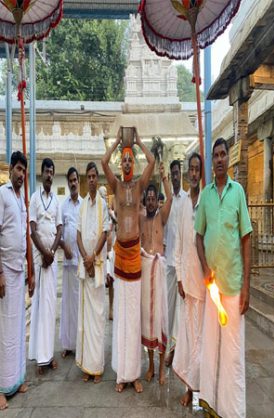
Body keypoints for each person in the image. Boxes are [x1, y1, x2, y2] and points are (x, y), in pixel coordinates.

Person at [195, 138, 252, 417]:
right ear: (212, 161)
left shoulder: (237, 192)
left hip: (233, 285)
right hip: (212, 287)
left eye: (222, 154)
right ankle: (209, 405)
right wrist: (205, 267)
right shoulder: (205, 196)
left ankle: (233, 411)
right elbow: (198, 236)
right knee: (210, 349)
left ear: (228, 159)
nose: (219, 159)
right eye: (215, 155)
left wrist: (247, 288)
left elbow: (246, 239)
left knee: (232, 353)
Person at [102, 127, 155, 393]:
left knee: (134, 317)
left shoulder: (139, 185)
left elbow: (153, 162)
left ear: (133, 163)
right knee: (121, 316)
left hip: (135, 255)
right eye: (123, 159)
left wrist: (138, 142)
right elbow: (103, 162)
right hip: (120, 256)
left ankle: (134, 374)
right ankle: (122, 374)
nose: (125, 163)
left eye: (129, 159)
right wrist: (115, 143)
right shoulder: (115, 186)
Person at [0, 151, 34, 410]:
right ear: (11, 168)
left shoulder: (21, 199)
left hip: (20, 271)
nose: (21, 174)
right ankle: (1, 388)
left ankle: (17, 379)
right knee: (3, 332)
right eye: (18, 169)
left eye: (24, 171)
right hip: (5, 273)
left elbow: (24, 237)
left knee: (18, 331)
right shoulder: (2, 195)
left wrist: (30, 271)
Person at [172, 152, 204, 407]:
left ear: (201, 173)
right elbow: (179, 245)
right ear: (186, 173)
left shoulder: (207, 201)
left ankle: (202, 389)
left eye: (197, 169)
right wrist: (180, 279)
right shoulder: (182, 205)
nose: (193, 173)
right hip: (187, 285)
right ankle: (189, 388)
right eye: (190, 169)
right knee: (189, 339)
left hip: (205, 283)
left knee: (203, 340)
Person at [75, 162, 110, 382]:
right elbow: (78, 235)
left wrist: (92, 257)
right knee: (85, 319)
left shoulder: (103, 206)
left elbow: (105, 233)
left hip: (96, 267)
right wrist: (84, 258)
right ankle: (87, 368)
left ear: (98, 179)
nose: (91, 179)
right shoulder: (82, 206)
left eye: (94, 176)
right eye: (88, 176)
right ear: (85, 180)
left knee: (97, 320)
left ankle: (97, 367)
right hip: (85, 267)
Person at [28, 158, 63, 374]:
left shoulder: (57, 201)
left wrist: (53, 251)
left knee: (51, 309)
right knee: (40, 308)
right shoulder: (34, 198)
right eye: (47, 172)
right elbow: (32, 230)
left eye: (52, 171)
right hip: (41, 261)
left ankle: (49, 356)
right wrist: (44, 253)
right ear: (42, 175)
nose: (49, 175)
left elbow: (59, 229)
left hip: (52, 260)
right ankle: (41, 359)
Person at [140, 163, 173, 385]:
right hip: (144, 272)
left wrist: (163, 176)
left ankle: (161, 368)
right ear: (145, 201)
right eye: (148, 199)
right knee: (147, 321)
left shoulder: (161, 216)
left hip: (159, 272)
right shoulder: (141, 217)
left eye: (153, 198)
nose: (151, 202)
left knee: (160, 320)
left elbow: (170, 198)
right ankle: (150, 364)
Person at [163, 159, 187, 367]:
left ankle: (179, 352)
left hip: (185, 267)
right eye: (173, 174)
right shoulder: (168, 202)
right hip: (169, 265)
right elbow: (163, 232)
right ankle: (170, 349)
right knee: (169, 312)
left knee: (182, 313)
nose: (176, 176)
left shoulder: (188, 200)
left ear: (182, 173)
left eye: (178, 172)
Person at [58, 167, 81, 359]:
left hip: (81, 264)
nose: (73, 183)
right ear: (67, 183)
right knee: (67, 305)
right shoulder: (62, 206)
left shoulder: (83, 204)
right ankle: (67, 345)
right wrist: (63, 245)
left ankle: (79, 344)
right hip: (67, 263)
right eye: (70, 180)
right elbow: (58, 233)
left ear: (78, 182)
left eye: (75, 180)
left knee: (79, 306)